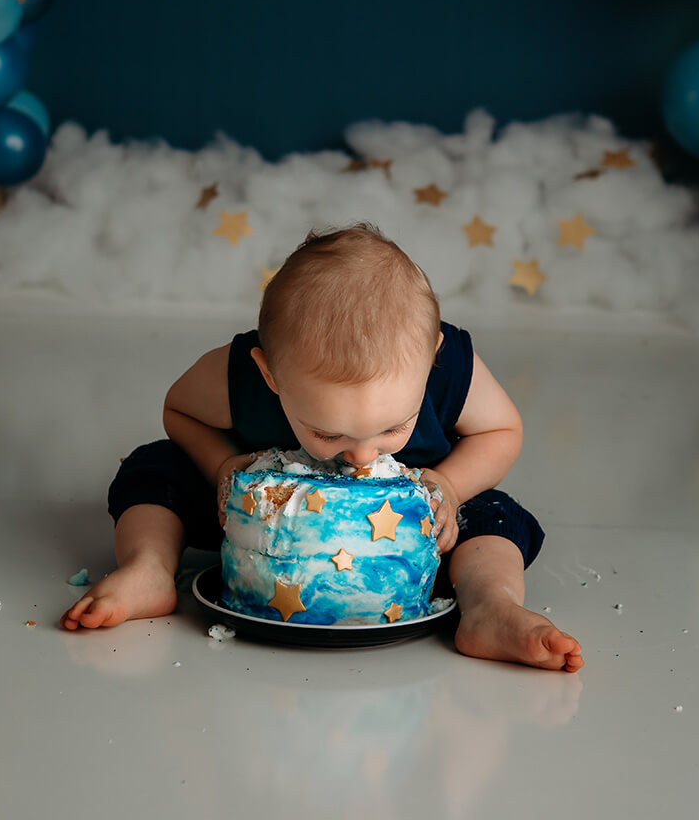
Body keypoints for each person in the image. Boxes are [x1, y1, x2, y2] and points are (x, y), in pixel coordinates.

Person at [59, 221, 583, 672]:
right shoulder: (239, 375)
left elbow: (502, 430)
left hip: (411, 533)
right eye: (328, 434)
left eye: (393, 428)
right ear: (272, 376)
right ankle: (150, 566)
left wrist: (448, 484)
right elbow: (178, 410)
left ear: (431, 363)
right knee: (156, 467)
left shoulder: (448, 370)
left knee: (493, 515)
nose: (361, 455)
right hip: (257, 520)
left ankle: (489, 606)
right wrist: (221, 464)